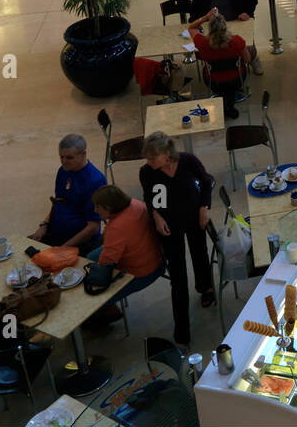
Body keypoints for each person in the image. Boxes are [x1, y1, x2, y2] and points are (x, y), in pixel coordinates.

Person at [140, 132, 215, 346]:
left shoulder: (188, 161)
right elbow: (150, 197)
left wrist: (204, 208)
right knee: (178, 277)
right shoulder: (148, 172)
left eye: (152, 158)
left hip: (193, 216)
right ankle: (182, 331)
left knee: (199, 253)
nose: (149, 162)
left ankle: (205, 288)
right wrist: (156, 216)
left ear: (166, 154)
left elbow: (206, 180)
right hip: (169, 224)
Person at [84, 184, 165, 322]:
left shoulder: (116, 228)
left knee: (92, 293)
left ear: (109, 208)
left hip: (140, 273)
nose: (95, 210)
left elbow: (106, 262)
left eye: (98, 207)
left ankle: (108, 311)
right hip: (155, 259)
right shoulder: (136, 204)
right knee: (89, 258)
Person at [30, 134, 106, 252]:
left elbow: (93, 227)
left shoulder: (96, 181)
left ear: (83, 154)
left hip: (80, 242)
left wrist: (63, 248)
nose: (64, 161)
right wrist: (43, 225)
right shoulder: (63, 170)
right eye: (61, 157)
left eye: (69, 157)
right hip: (55, 233)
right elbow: (57, 202)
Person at [189, 0, 262, 75]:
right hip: (213, 25)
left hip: (236, 21)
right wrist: (201, 21)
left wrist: (247, 12)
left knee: (248, 45)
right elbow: (195, 8)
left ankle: (253, 59)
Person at [192, 14, 249, 119]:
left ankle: (223, 105)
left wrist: (205, 17)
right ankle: (230, 104)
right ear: (225, 27)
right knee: (235, 73)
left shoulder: (203, 43)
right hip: (236, 80)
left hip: (213, 82)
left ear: (209, 28)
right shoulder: (236, 41)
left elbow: (191, 27)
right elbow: (247, 59)